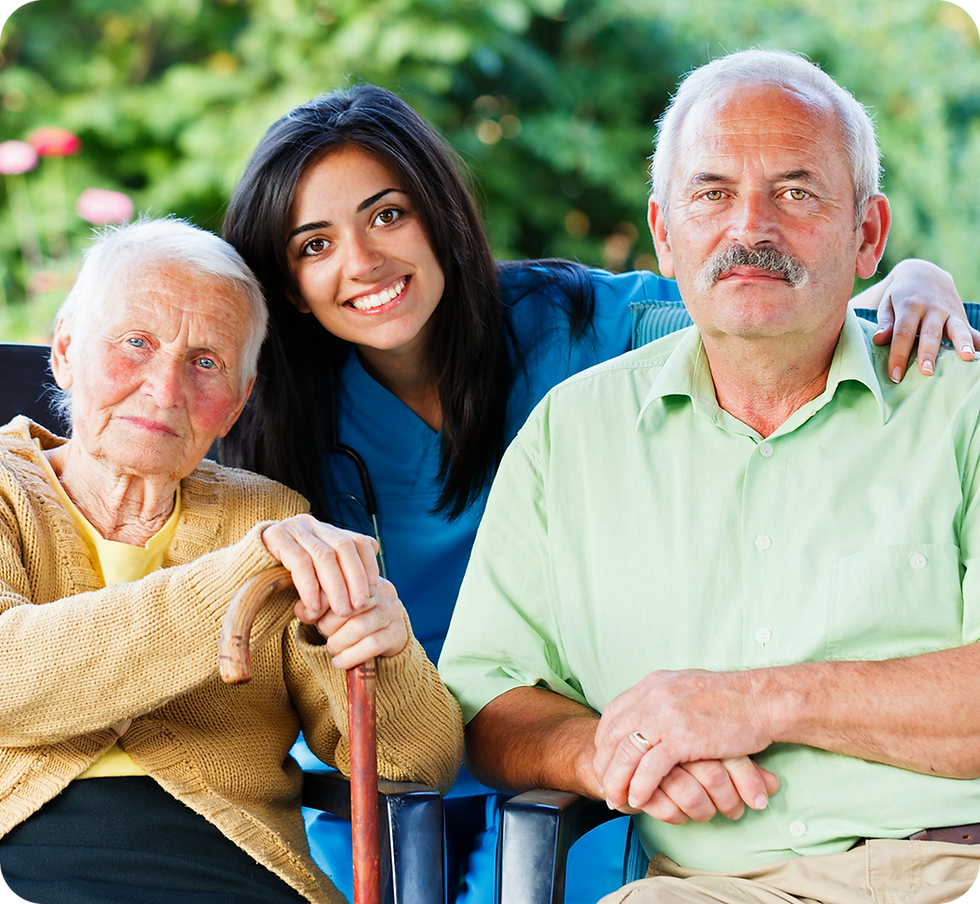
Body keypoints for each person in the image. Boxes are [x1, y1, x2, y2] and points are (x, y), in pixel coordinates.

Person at [219, 84, 978, 904]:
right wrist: (607, 747)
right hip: (422, 745)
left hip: (580, 765)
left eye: (388, 215)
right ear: (289, 283)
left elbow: (749, 297)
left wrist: (914, 282)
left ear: (437, 215)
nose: (362, 261)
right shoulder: (276, 416)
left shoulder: (567, 325)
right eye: (314, 245)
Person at [438, 47, 980, 904]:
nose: (749, 229)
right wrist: (612, 752)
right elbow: (486, 696)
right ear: (664, 231)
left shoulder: (964, 409)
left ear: (868, 235)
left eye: (797, 192)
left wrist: (756, 703)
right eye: (712, 193)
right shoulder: (570, 436)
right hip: (703, 888)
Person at [0, 217, 463, 904]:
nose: (166, 388)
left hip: (231, 869)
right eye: (136, 343)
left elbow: (414, 763)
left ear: (238, 403)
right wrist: (237, 582)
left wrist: (385, 655)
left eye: (207, 362)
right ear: (65, 348)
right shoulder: (7, 491)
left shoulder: (271, 517)